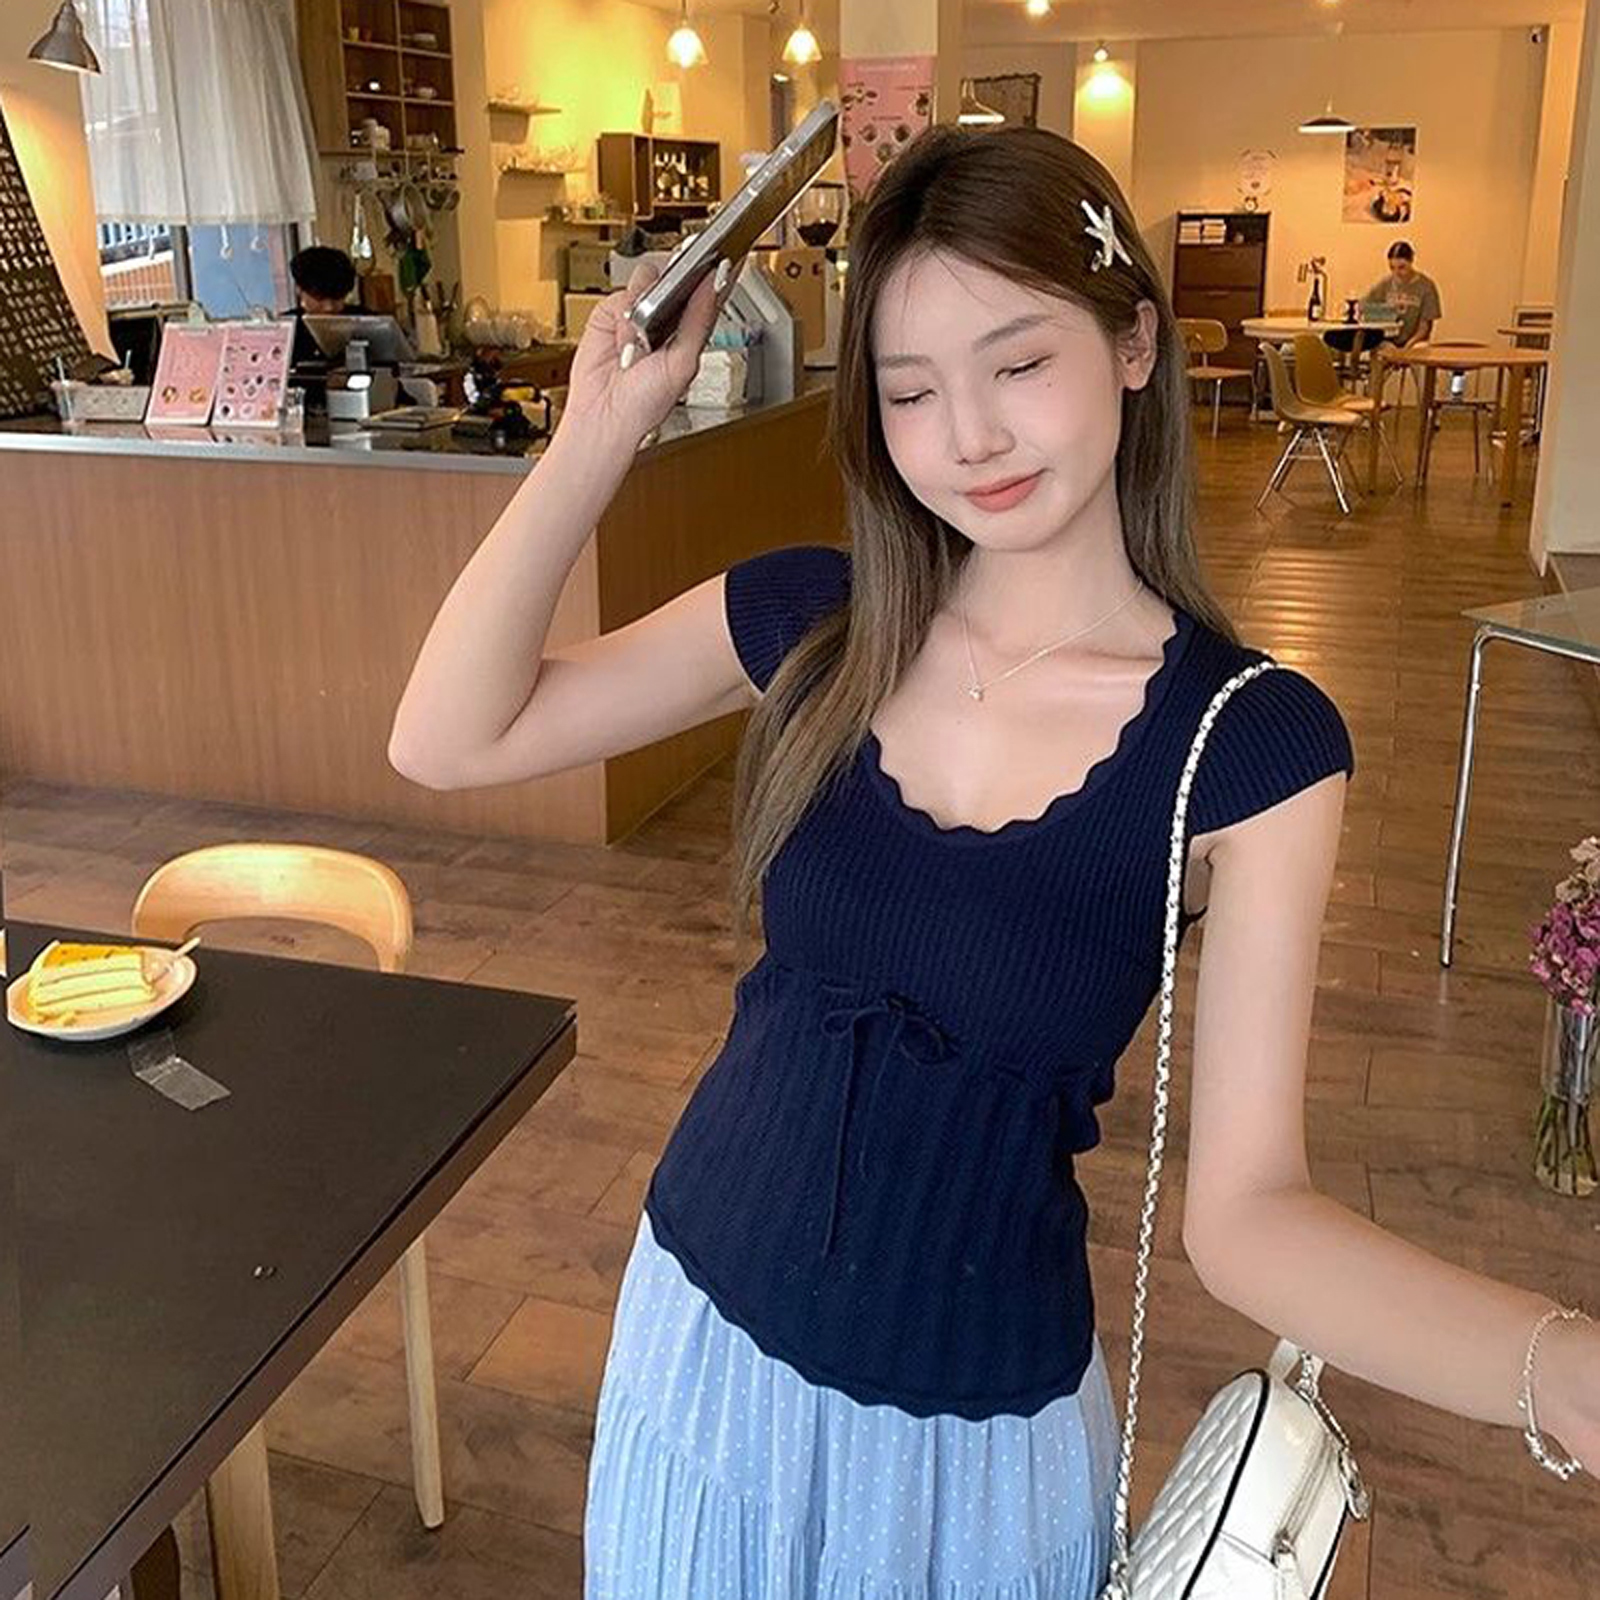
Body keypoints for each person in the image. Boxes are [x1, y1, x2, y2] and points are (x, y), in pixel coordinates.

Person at [388, 127, 1597, 1598]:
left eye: (1019, 363)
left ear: (1133, 343)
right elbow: (446, 737)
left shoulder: (1250, 745)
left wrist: (1555, 1367)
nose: (968, 436)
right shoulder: (810, 623)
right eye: (909, 391)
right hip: (696, 1353)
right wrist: (597, 433)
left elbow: (1249, 1217)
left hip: (968, 1456)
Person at [1362, 239, 1441, 347]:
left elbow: (1425, 327)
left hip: (1415, 341)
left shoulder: (1426, 286)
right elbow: (1364, 306)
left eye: (1402, 268)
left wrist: (1408, 345)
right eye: (1392, 268)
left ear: (1411, 261)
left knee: (1420, 347)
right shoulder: (1385, 283)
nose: (1397, 273)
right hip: (1389, 340)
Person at [286, 244, 357, 365]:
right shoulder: (286, 329)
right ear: (299, 290)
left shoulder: (367, 322)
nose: (329, 307)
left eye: (337, 298)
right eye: (319, 298)